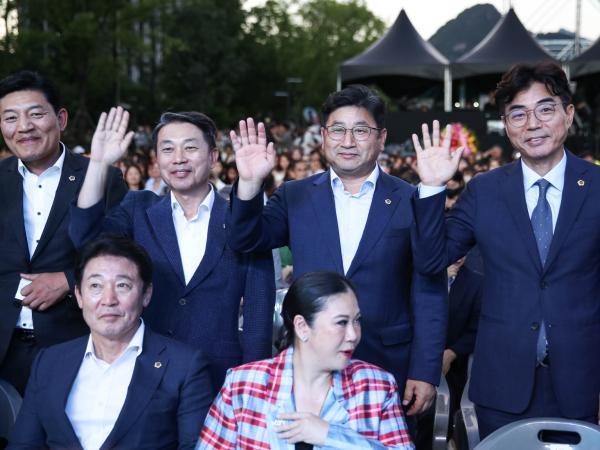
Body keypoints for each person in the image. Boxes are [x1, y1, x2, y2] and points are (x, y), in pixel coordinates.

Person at [227, 84, 447, 417]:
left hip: (388, 364)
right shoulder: (295, 195)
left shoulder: (410, 200)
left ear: (381, 137)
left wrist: (425, 370)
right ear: (324, 135)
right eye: (338, 130)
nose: (347, 141)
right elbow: (246, 240)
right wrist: (249, 183)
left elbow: (429, 289)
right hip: (309, 364)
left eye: (361, 130)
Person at [411, 61, 600, 438]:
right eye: (518, 114)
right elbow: (431, 259)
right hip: (503, 385)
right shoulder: (485, 190)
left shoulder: (596, 186)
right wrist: (432, 188)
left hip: (584, 382)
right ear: (507, 126)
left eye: (545, 109)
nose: (533, 124)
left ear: (568, 113)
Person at [69, 109, 275, 392]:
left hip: (220, 378)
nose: (179, 158)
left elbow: (258, 316)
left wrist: (254, 385)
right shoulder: (138, 209)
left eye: (190, 147)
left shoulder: (244, 224)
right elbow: (85, 239)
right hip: (144, 374)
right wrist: (99, 164)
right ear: (157, 159)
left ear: (213, 157)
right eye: (168, 149)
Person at [8, 236, 213, 450]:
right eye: (95, 285)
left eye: (123, 285)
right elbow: (24, 445)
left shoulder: (185, 365)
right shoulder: (50, 362)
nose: (108, 299)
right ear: (79, 295)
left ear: (146, 295)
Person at [0, 70, 127, 395]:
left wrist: (69, 281)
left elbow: (123, 256)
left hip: (73, 343)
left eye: (36, 114)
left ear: (61, 118)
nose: (23, 127)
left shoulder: (101, 176)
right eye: (10, 117)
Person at [198, 271, 414, 449]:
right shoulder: (243, 385)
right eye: (341, 322)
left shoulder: (376, 386)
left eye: (357, 321)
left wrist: (330, 435)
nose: (353, 335)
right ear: (302, 327)